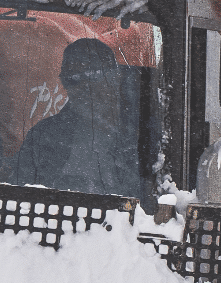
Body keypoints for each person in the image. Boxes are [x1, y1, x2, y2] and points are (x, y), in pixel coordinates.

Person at [10, 38, 139, 196]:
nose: (84, 86)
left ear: (115, 77)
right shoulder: (42, 137)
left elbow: (152, 209)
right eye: (72, 79)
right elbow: (17, 198)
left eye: (93, 74)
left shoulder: (141, 138)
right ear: (64, 84)